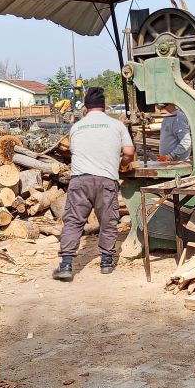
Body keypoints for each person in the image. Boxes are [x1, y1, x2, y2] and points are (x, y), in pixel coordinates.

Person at [53, 86, 135, 281]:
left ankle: (66, 264)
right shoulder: (116, 125)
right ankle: (106, 261)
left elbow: (74, 150)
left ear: (86, 107)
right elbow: (129, 152)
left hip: (79, 181)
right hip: (106, 179)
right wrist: (122, 163)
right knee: (108, 221)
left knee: (73, 222)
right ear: (104, 107)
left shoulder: (76, 127)